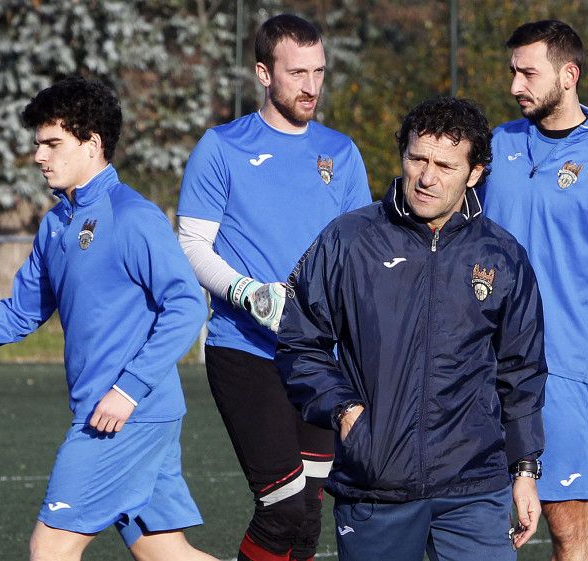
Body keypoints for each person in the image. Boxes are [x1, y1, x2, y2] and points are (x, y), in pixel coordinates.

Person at [0, 77, 215, 561]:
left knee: (50, 548)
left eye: (52, 143)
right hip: (120, 412)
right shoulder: (57, 223)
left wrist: (127, 389)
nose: (39, 157)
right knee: (163, 552)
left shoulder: (132, 216)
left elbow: (187, 305)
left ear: (92, 145)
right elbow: (24, 311)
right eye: (37, 145)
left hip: (124, 417)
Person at [276, 96, 547, 560]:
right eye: (417, 158)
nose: (426, 177)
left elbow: (521, 371)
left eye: (444, 165)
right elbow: (300, 339)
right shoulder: (349, 240)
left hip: (474, 489)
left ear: (475, 173)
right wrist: (344, 411)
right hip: (375, 487)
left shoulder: (502, 255)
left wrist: (524, 470)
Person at [175, 13, 372, 561]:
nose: (311, 85)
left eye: (319, 71)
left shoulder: (343, 153)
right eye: (296, 72)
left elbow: (359, 255)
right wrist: (247, 294)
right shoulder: (221, 147)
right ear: (264, 73)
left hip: (319, 362)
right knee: (282, 506)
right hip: (246, 353)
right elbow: (192, 245)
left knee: (309, 515)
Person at [479, 19, 588, 561]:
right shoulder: (496, 146)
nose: (515, 86)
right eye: (512, 71)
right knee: (471, 525)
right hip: (472, 364)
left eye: (528, 73)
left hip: (559, 373)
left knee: (567, 527)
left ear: (568, 75)